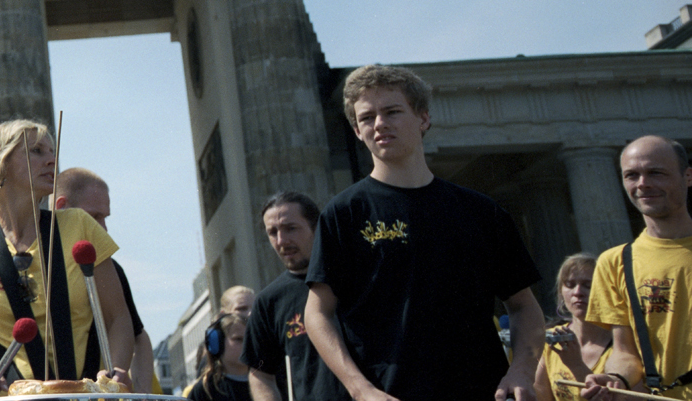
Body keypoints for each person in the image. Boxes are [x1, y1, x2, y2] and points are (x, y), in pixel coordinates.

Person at [304, 65, 543, 401]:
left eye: (392, 111)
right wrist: (360, 389)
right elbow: (317, 313)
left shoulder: (481, 212)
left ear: (424, 118)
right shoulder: (343, 214)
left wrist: (520, 369)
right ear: (357, 131)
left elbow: (523, 306)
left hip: (483, 391)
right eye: (367, 117)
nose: (379, 124)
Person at [0, 120, 133, 400]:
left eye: (52, 151)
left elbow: (118, 317)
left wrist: (117, 370)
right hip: (12, 396)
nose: (52, 159)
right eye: (37, 150)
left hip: (88, 394)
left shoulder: (80, 225)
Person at [583, 135, 692, 400]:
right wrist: (616, 377)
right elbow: (625, 352)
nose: (643, 184)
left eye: (656, 173)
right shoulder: (615, 262)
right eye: (632, 175)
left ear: (687, 176)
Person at [53, 167, 159, 393]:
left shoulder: (106, 268)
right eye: (93, 217)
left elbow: (138, 335)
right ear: (62, 207)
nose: (103, 228)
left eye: (105, 217)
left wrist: (141, 394)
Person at [243, 192, 345, 401]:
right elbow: (260, 372)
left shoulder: (355, 279)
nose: (282, 241)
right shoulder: (269, 301)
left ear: (316, 228)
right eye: (272, 232)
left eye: (291, 228)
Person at [533, 254, 611, 401]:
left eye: (588, 285)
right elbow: (541, 395)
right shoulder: (551, 339)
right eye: (569, 284)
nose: (578, 292)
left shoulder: (623, 343)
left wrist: (577, 366)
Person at [184, 313, 252, 401]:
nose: (247, 344)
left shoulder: (267, 381)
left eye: (250, 338)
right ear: (217, 342)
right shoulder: (206, 389)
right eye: (238, 339)